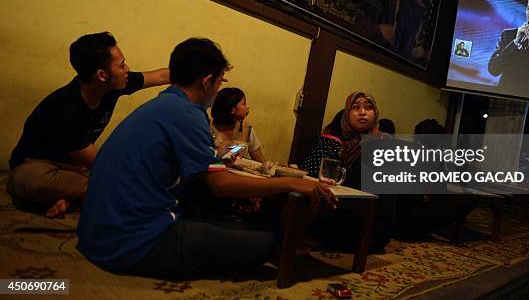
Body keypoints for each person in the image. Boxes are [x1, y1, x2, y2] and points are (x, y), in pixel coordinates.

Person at [76, 38, 336, 280]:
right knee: (266, 241)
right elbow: (221, 185)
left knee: (218, 217)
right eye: (221, 81)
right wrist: (289, 183)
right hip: (132, 242)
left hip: (94, 235)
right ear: (207, 81)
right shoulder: (189, 113)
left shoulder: (162, 104)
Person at [7, 32, 169, 217]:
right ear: (101, 75)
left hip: (75, 169)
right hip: (37, 166)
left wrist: (196, 74)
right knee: (32, 180)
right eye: (121, 65)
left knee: (119, 175)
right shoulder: (64, 110)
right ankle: (78, 197)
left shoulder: (114, 83)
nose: (127, 69)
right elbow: (99, 162)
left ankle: (65, 199)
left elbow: (162, 76)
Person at [301, 92, 391, 252]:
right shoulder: (340, 143)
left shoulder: (381, 143)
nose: (363, 112)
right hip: (341, 215)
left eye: (368, 108)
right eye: (356, 108)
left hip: (368, 228)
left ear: (375, 114)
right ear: (347, 114)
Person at [210, 87, 265, 163]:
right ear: (232, 109)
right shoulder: (209, 128)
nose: (247, 107)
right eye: (244, 103)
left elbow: (259, 160)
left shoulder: (246, 129)